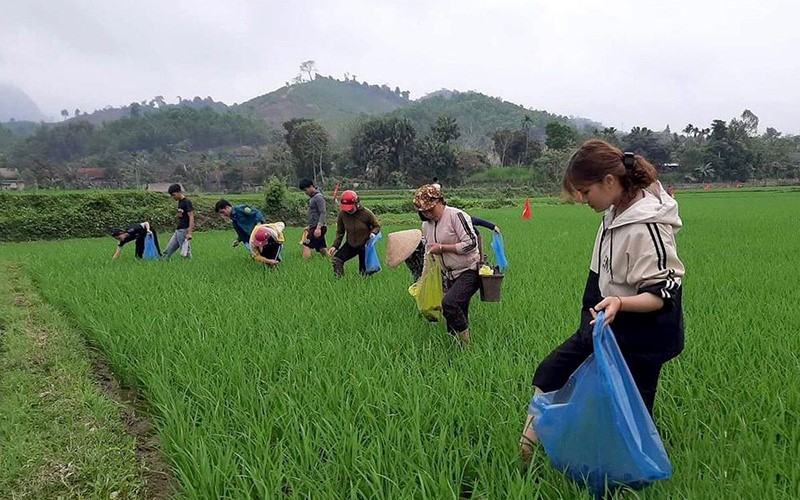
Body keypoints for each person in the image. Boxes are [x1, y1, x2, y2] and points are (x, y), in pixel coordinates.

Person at [519, 140, 686, 465]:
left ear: (608, 182)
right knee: (550, 372)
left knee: (632, 411)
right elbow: (599, 275)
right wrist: (593, 315)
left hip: (644, 334)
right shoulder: (613, 213)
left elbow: (663, 294)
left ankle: (632, 474)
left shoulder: (648, 227)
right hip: (605, 321)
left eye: (585, 191)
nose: (582, 199)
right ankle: (525, 453)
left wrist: (619, 305)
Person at [413, 184, 482, 344]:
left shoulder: (456, 216)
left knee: (450, 303)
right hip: (448, 274)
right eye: (424, 212)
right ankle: (455, 345)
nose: (428, 214)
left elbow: (471, 243)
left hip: (469, 270)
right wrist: (422, 280)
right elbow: (428, 254)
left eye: (431, 209)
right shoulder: (426, 225)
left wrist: (443, 248)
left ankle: (467, 344)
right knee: (455, 310)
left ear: (440, 201)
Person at [328, 190, 381, 277]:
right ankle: (339, 282)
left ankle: (364, 287)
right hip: (351, 244)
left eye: (350, 208)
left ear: (356, 203)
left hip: (364, 245)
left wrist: (373, 233)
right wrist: (335, 246)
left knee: (364, 273)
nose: (348, 211)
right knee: (337, 260)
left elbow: (377, 226)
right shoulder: (342, 215)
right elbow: (340, 232)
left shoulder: (366, 213)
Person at [162, 184, 194, 259]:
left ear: (179, 192)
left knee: (185, 252)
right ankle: (162, 262)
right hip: (178, 230)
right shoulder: (180, 202)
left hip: (184, 230)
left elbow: (191, 217)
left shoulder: (187, 202)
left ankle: (190, 266)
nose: (173, 197)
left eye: (174, 195)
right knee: (168, 250)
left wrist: (189, 233)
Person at [299, 179, 329, 259]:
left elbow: (323, 212)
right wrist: (310, 226)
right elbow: (314, 214)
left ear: (311, 186)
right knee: (322, 248)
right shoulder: (313, 198)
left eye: (306, 190)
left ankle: (304, 265)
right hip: (314, 226)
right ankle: (332, 261)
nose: (305, 192)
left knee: (305, 244)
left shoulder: (318, 197)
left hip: (318, 227)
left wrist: (318, 228)